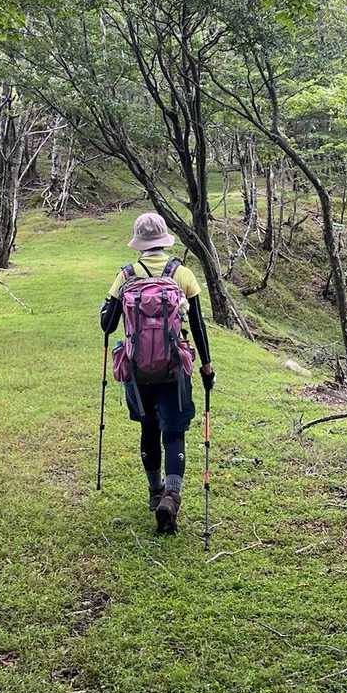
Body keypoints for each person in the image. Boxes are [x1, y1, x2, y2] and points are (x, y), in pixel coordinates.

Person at [99, 211, 215, 533]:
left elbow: (107, 326)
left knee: (148, 428)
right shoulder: (183, 274)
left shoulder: (126, 276)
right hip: (174, 370)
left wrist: (109, 307)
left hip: (137, 371)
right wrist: (206, 367)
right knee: (174, 432)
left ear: (139, 243)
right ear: (164, 240)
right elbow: (198, 325)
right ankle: (171, 497)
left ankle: (154, 491)